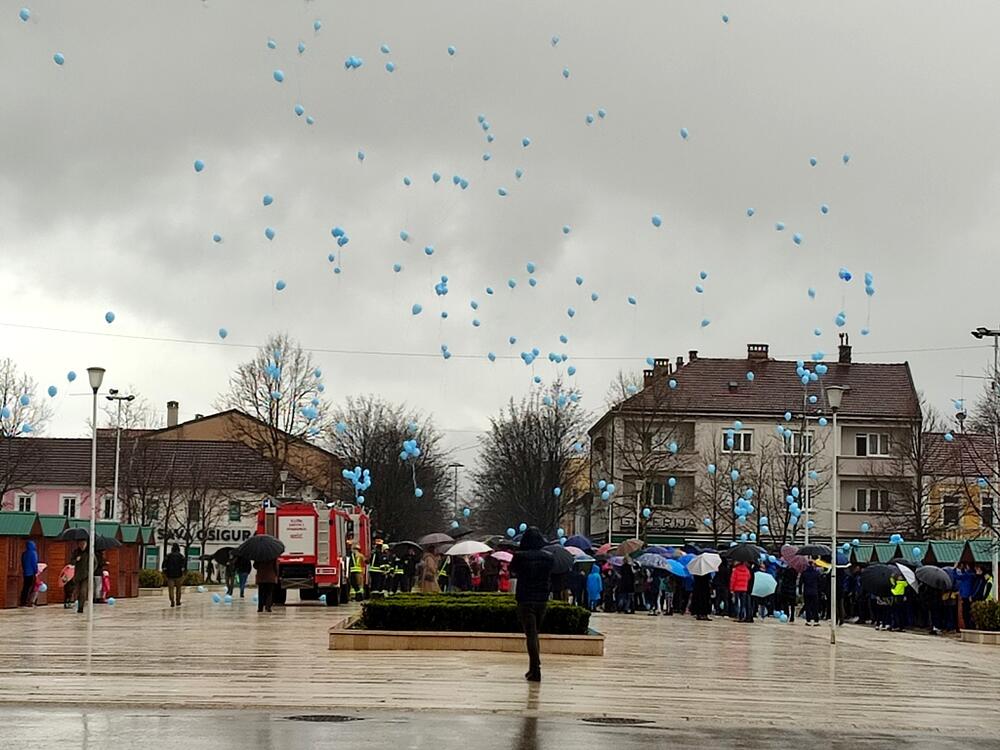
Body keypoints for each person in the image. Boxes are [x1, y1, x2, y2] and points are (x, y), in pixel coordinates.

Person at [509, 527, 554, 683]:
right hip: (542, 598)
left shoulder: (519, 557)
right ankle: (533, 667)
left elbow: (512, 571)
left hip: (525, 598)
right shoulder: (548, 557)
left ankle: (535, 669)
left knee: (531, 634)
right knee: (535, 633)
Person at [162, 543, 187, 608]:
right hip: (179, 575)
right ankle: (178, 601)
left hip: (170, 575)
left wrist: (165, 573)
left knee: (171, 589)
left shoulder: (168, 556)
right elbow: (184, 567)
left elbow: (164, 566)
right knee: (178, 589)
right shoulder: (181, 556)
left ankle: (172, 601)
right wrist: (183, 573)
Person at [70, 540, 90, 614]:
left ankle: (81, 607)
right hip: (77, 575)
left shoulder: (89, 553)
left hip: (86, 576)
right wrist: (76, 560)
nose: (82, 545)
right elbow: (71, 562)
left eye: (84, 544)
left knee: (83, 592)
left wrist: (89, 571)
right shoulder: (76, 552)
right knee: (77, 591)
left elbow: (95, 563)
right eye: (80, 544)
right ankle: (77, 604)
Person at [800, 560, 822, 626]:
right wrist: (820, 591)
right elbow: (819, 583)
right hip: (814, 592)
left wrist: (800, 591)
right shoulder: (816, 573)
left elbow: (801, 582)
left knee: (807, 606)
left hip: (806, 592)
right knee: (815, 606)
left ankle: (808, 620)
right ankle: (816, 620)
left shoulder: (804, 573)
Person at [20, 540, 39, 607]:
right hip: (31, 573)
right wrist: (36, 571)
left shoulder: (24, 553)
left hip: (25, 573)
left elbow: (22, 562)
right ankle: (30, 602)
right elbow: (34, 563)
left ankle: (23, 601)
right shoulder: (33, 553)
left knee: (25, 587)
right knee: (32, 587)